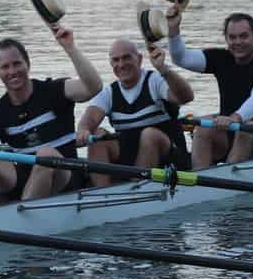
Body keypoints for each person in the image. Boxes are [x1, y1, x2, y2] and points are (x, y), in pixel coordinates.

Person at [0, 22, 103, 207]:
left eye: (17, 64)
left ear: (28, 64)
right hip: (24, 179)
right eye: (5, 67)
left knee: (46, 154)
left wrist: (70, 48)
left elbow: (94, 87)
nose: (12, 71)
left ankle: (22, 216)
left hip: (66, 178)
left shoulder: (54, 91)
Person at [168, 7, 253, 168]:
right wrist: (173, 30)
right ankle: (199, 182)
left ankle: (228, 180)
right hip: (229, 132)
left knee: (245, 129)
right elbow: (181, 58)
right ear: (226, 39)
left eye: (244, 36)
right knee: (202, 128)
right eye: (232, 37)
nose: (237, 42)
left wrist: (235, 118)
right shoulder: (221, 58)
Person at [77, 38, 195, 187]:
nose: (121, 64)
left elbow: (186, 97)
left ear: (139, 59)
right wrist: (83, 130)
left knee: (149, 135)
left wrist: (164, 69)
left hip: (170, 157)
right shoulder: (109, 93)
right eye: (116, 60)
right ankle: (102, 194)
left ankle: (135, 190)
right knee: (98, 136)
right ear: (111, 64)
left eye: (126, 57)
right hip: (132, 158)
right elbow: (90, 118)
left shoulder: (155, 80)